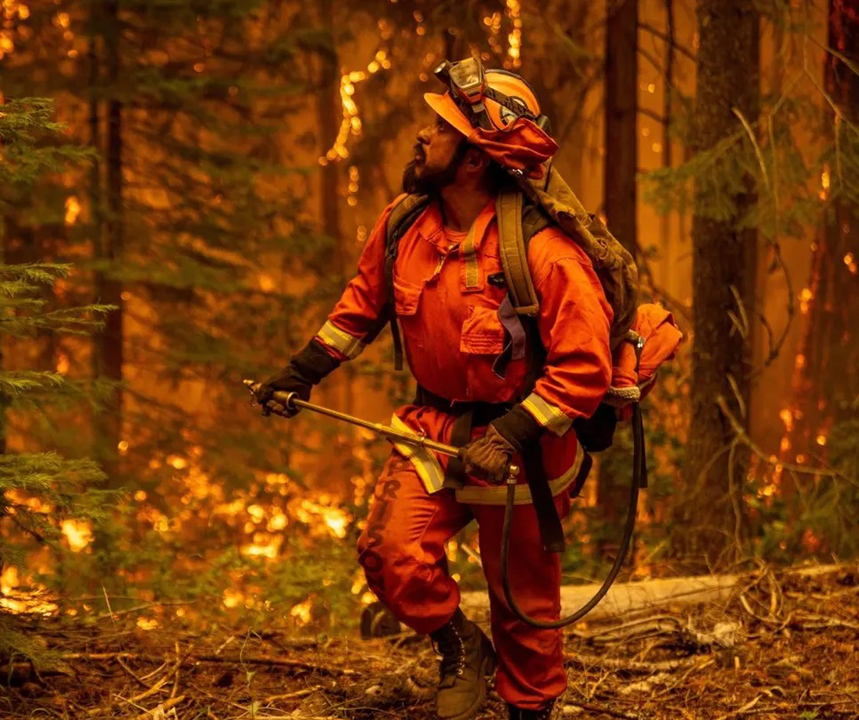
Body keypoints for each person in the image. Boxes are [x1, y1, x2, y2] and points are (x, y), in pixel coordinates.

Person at [256, 59, 612, 720]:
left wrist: (509, 435)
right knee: (389, 554)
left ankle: (528, 711)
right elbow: (358, 311)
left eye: (439, 129)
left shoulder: (546, 255)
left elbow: (585, 370)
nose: (423, 137)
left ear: (475, 160)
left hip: (526, 453)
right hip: (431, 431)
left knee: (525, 610)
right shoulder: (403, 225)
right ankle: (458, 646)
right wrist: (300, 373)